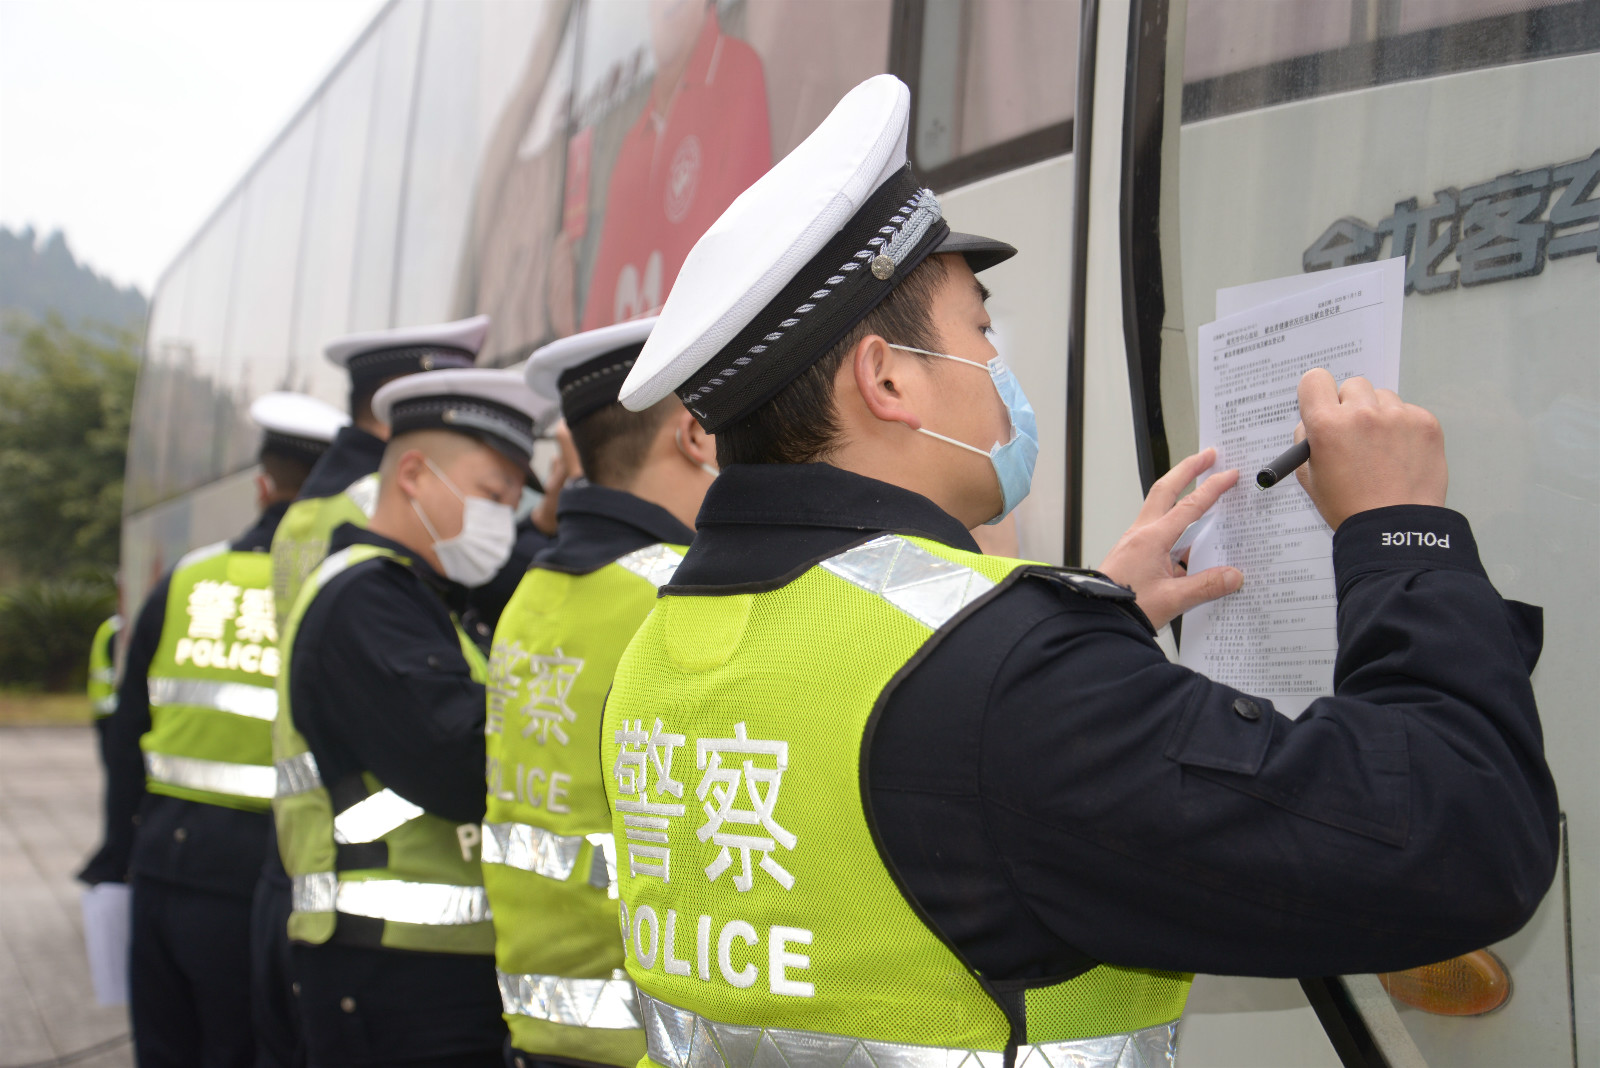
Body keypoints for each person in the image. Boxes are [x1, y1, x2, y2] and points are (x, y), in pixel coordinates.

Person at [597, 75, 1559, 1064]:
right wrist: (1399, 531)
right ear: (886, 379)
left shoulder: (659, 651)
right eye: (980, 333)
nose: (999, 373)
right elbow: (1460, 841)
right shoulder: (1011, 684)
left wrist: (1083, 628)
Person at [272, 369, 541, 1068]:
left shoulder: (424, 599)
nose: (503, 519)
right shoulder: (369, 600)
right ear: (414, 475)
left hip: (427, 963)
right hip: (390, 968)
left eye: (513, 501)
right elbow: (461, 760)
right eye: (492, 495)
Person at [485, 318, 716, 1068]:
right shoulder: (684, 599)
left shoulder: (533, 591)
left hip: (540, 1024)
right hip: (649, 1040)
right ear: (695, 436)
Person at [91, 392, 345, 1067]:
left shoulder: (185, 580)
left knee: (165, 1049)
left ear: (262, 485)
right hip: (259, 875)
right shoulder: (332, 593)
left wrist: (118, 854)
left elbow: (125, 733)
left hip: (160, 864)